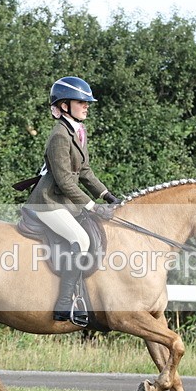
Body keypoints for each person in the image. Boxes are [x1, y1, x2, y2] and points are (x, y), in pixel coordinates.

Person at [24, 76, 121, 326]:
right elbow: (65, 182)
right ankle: (65, 303)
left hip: (63, 201)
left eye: (87, 102)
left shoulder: (76, 131)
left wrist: (106, 195)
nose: (86, 106)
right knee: (81, 239)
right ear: (64, 105)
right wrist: (92, 206)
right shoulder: (59, 135)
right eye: (81, 102)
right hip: (48, 201)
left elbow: (84, 171)